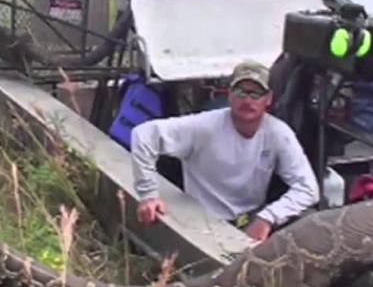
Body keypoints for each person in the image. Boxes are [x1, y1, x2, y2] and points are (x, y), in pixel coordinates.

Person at [131, 59, 319, 242]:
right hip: (203, 223)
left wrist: (267, 218)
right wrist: (148, 196)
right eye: (240, 92)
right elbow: (143, 135)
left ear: (268, 99)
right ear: (229, 94)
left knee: (311, 222)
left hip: (251, 220)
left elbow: (309, 189)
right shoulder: (203, 126)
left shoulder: (278, 133)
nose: (247, 100)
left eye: (256, 94)